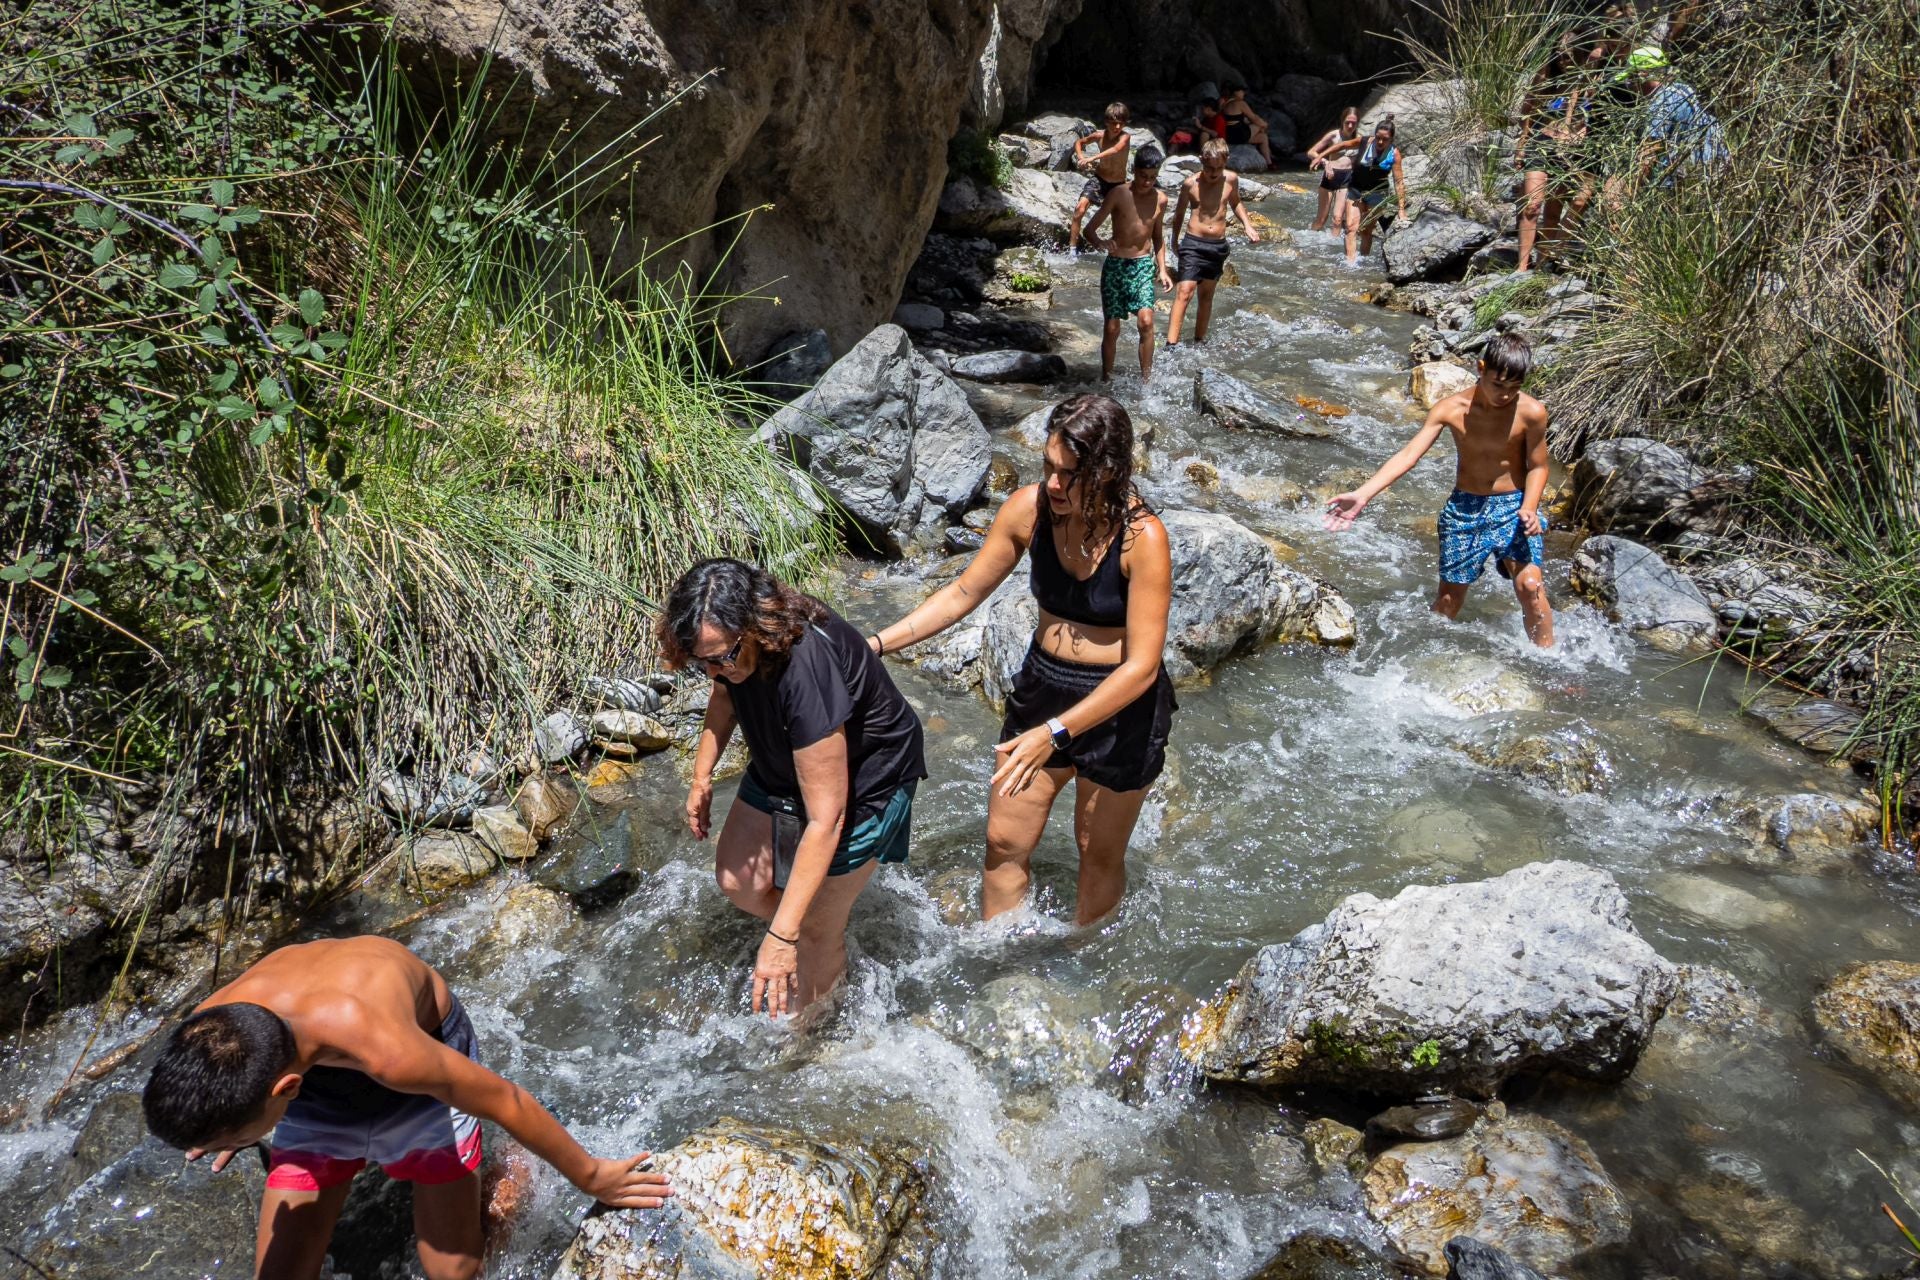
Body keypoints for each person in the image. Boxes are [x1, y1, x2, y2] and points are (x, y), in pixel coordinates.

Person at [140, 936, 670, 1280]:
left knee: (454, 1272)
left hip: (417, 1082)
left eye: (230, 1141)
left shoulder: (390, 1051)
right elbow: (216, 1068)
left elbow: (505, 1099)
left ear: (283, 1089)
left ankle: (512, 1174)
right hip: (316, 1086)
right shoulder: (212, 1029)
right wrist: (223, 1122)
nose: (221, 1149)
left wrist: (594, 1176)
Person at [869, 394, 1175, 925]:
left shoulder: (1143, 538)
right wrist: (873, 644)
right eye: (1048, 467)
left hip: (1121, 709)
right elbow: (962, 594)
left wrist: (1056, 733)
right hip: (1043, 688)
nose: (1054, 485)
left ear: (1107, 472)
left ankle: (1083, 962)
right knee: (1003, 841)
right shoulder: (1028, 510)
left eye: (1070, 474)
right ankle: (996, 964)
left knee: (1095, 850)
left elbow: (1142, 666)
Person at [662, 558, 925, 1017]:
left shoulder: (805, 668)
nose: (713, 671)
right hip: (782, 756)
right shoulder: (729, 661)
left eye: (722, 657)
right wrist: (702, 778)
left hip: (868, 778)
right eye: (703, 662)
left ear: (756, 626)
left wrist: (784, 937)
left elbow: (827, 818)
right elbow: (723, 697)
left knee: (811, 932)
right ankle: (822, 923)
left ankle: (808, 1039)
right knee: (738, 881)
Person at [1323, 334, 1556, 647]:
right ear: (1481, 367)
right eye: (1498, 385)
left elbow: (1538, 466)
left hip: (1512, 506)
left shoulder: (1531, 412)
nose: (1505, 396)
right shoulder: (1451, 409)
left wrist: (1529, 506)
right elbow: (1409, 454)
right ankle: (1428, 656)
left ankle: (1548, 663)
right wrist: (1363, 494)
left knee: (1530, 585)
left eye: (1514, 388)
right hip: (1465, 509)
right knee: (1449, 601)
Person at [1078, 146, 1171, 382]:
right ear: (1134, 171)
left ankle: (1146, 382)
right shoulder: (1119, 194)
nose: (1147, 182)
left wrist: (1162, 269)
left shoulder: (1160, 199)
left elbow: (1158, 238)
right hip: (1116, 267)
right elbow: (1089, 229)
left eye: (1152, 177)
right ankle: (1106, 378)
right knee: (1112, 328)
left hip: (1142, 266)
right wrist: (1101, 243)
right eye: (1143, 176)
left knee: (1146, 322)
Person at [1167, 138, 1261, 348]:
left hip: (1217, 246)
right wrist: (1174, 240)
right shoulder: (1191, 184)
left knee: (1206, 295)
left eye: (1219, 168)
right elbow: (1179, 214)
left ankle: (1199, 341)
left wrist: (1247, 225)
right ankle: (1170, 344)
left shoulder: (1231, 180)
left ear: (1226, 161)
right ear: (1201, 161)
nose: (1213, 173)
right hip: (1193, 242)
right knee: (1185, 291)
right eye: (1209, 168)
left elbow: (1235, 202)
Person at [1514, 42, 1595, 272]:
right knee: (1532, 205)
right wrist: (1521, 144)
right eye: (1559, 54)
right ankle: (1521, 267)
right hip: (1542, 143)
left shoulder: (1591, 80)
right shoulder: (1546, 78)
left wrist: (1580, 133)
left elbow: (1597, 117)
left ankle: (1542, 266)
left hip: (1572, 150)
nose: (1563, 59)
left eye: (1569, 55)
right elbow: (1527, 111)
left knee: (1553, 212)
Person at [1630, 47, 1727, 185]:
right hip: (1713, 168)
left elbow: (1650, 152)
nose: (1630, 85)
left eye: (1630, 78)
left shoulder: (1659, 105)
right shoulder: (1683, 89)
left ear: (1642, 74)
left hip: (1689, 180)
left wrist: (1629, 189)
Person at [1335, 117, 1407, 267]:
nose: (1380, 142)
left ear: (1391, 139)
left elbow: (1399, 182)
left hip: (1377, 193)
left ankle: (1363, 260)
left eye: (1385, 139)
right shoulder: (1366, 143)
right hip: (1356, 189)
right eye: (1378, 138)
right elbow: (1343, 145)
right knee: (1350, 228)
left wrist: (1401, 210)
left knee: (1367, 231)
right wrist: (1321, 156)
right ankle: (1350, 265)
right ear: (1375, 135)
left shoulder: (1394, 154)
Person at [1068, 102, 1133, 252]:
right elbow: (1079, 142)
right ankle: (1072, 250)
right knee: (1079, 209)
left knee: (1120, 220)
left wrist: (1091, 159)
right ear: (1106, 122)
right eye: (1114, 123)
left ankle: (1115, 250)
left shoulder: (1125, 137)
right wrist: (1080, 157)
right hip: (1100, 180)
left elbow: (1116, 149)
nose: (1117, 127)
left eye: (1121, 124)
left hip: (1118, 185)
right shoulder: (1099, 136)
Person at [1306, 106, 1362, 234]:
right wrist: (1325, 162)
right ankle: (1310, 240)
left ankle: (1331, 251)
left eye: (1353, 123)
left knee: (1337, 220)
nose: (1350, 125)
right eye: (1347, 122)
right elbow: (1311, 152)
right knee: (1321, 219)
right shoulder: (1333, 136)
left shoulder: (1359, 139)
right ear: (1342, 120)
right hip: (1330, 176)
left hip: (1347, 178)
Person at [1220, 84, 1274, 168]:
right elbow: (1254, 118)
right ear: (1235, 92)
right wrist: (1265, 124)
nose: (1244, 93)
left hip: (1228, 136)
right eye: (1242, 91)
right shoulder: (1239, 103)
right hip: (1239, 134)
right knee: (1259, 125)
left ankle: (1269, 162)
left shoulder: (1224, 103)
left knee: (1263, 137)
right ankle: (1270, 158)